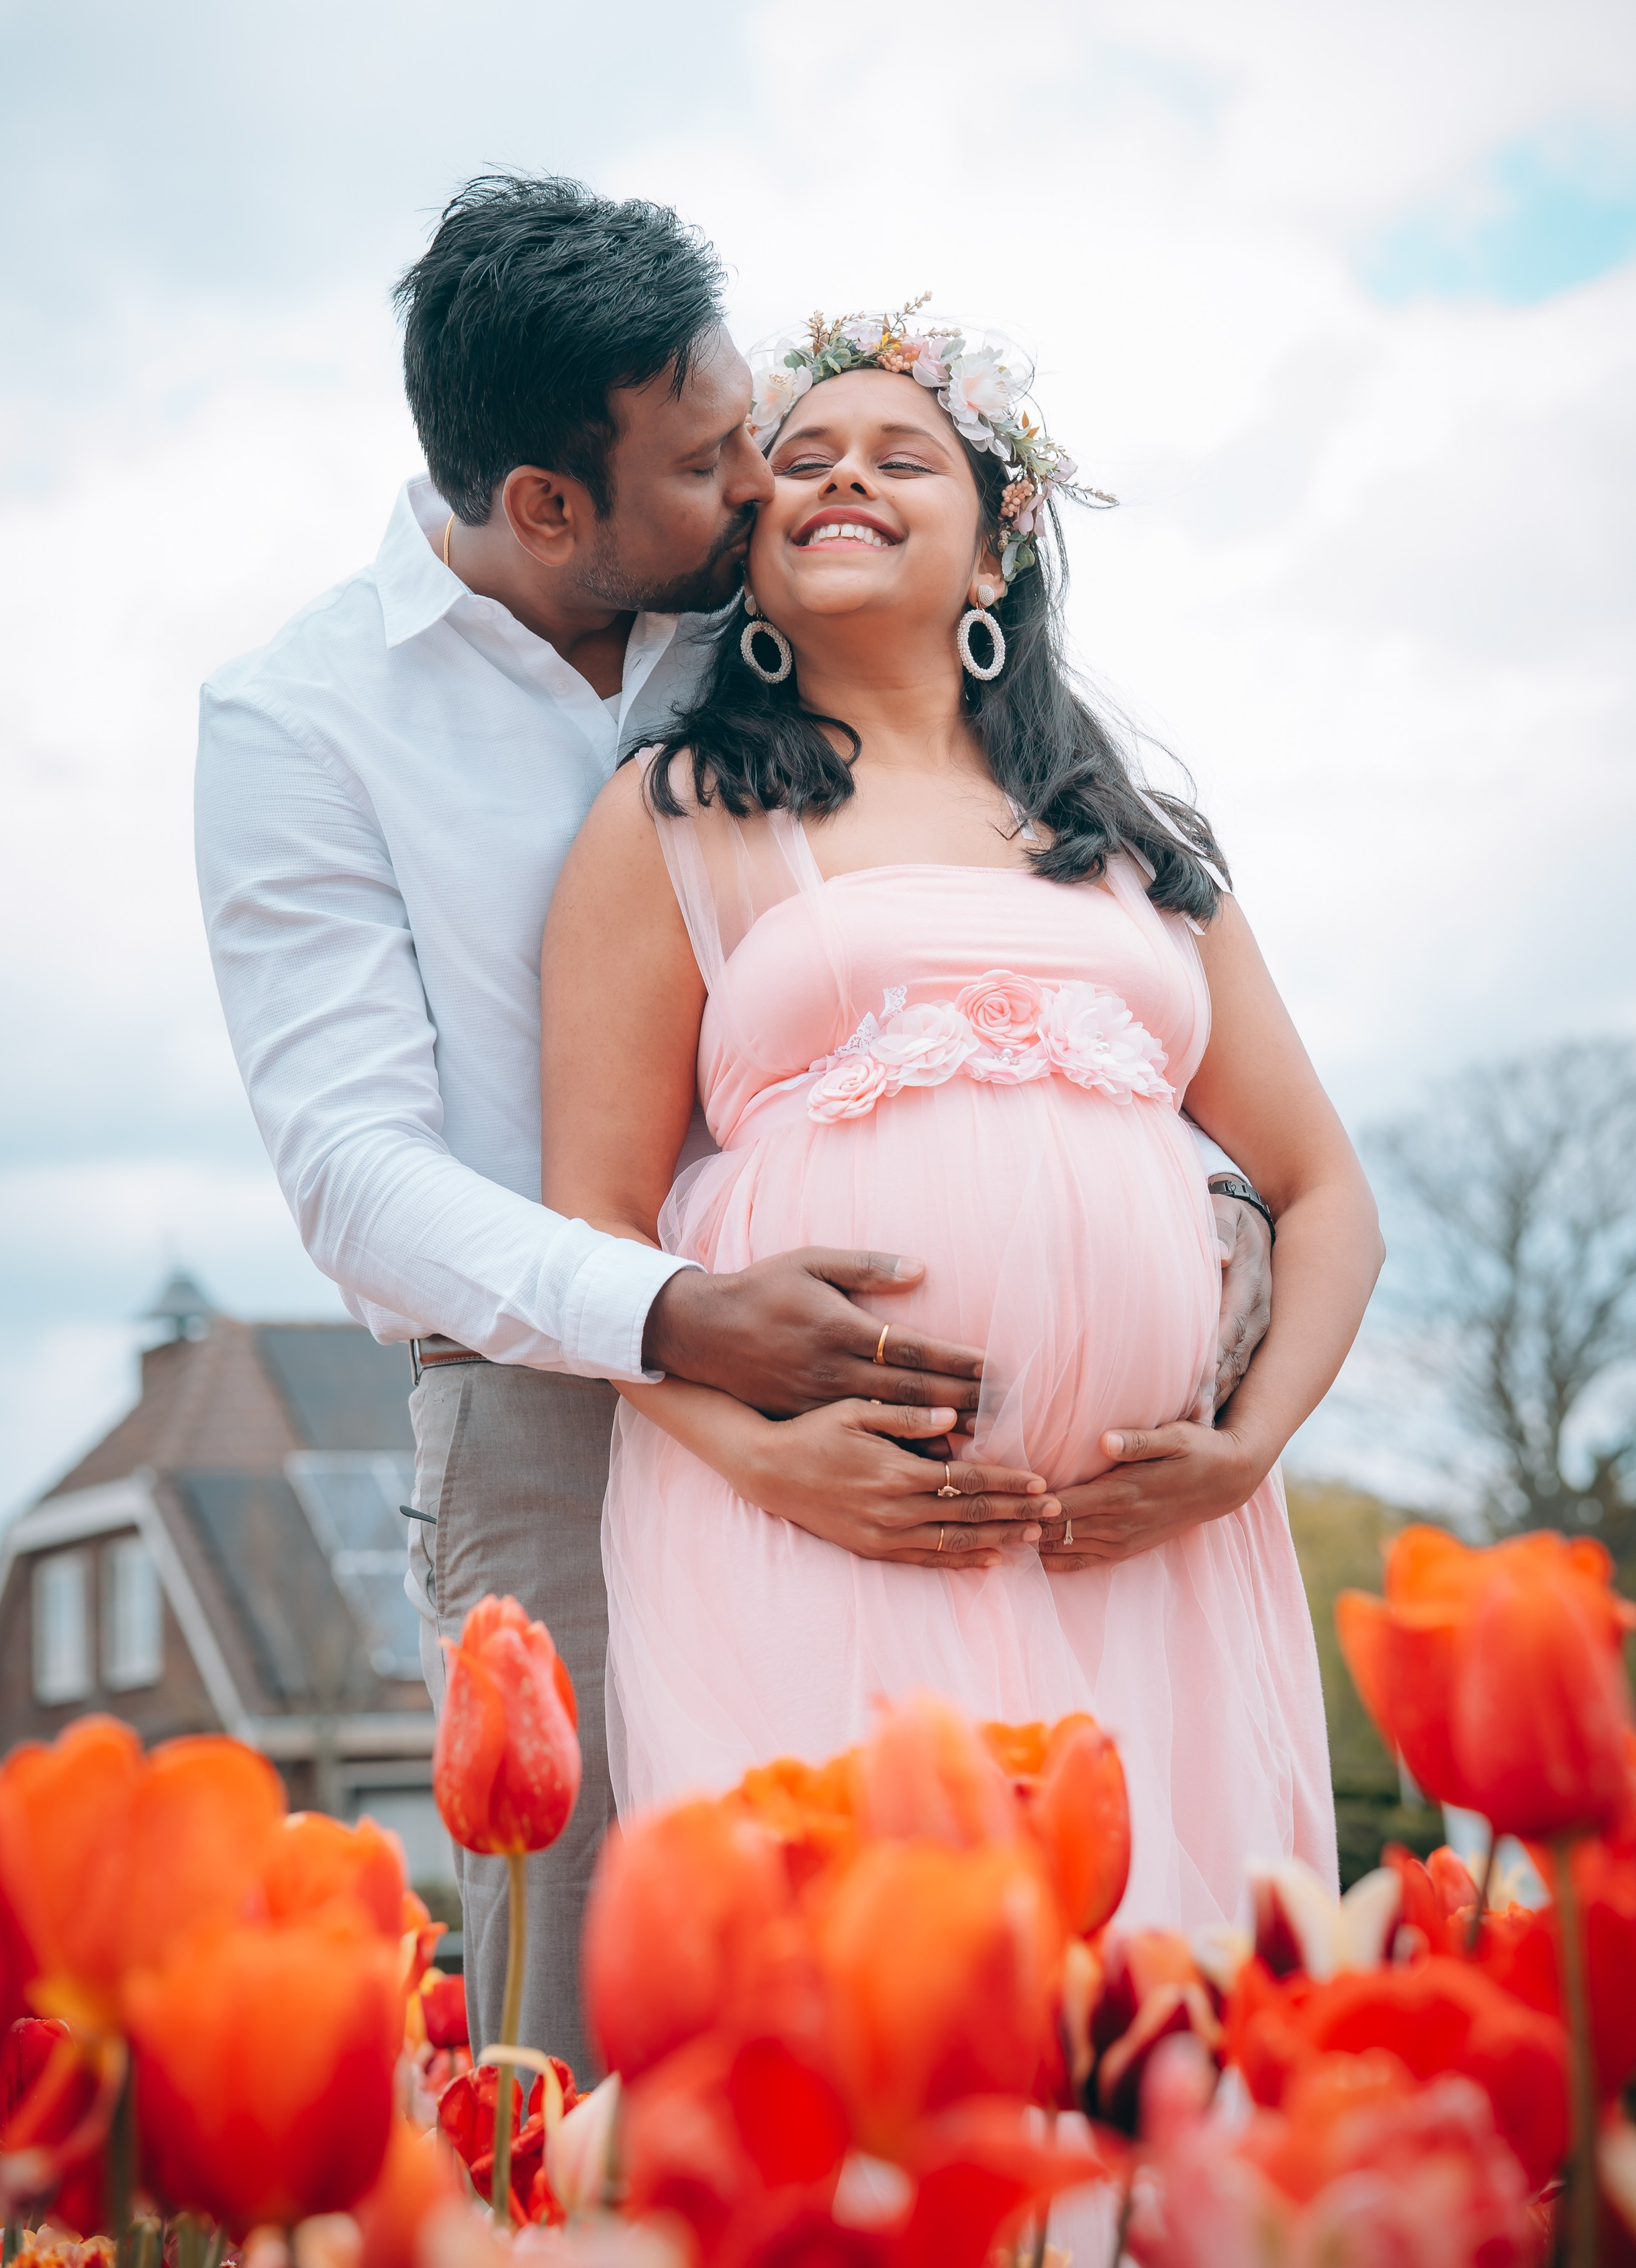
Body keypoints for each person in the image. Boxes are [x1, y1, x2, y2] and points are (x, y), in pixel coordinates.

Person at [194, 180, 1273, 2068]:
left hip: (970, 1443)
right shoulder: (303, 723)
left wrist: (1174, 1191)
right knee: (610, 1993)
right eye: (713, 462)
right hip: (551, 1390)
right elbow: (353, 1172)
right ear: (550, 510)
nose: (769, 488)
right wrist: (677, 1316)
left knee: (1022, 1978)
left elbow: (991, 904)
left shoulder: (755, 620)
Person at [542, 304, 1382, 1926]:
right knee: (865, 2024)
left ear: (996, 547)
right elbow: (589, 1225)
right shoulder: (673, 815)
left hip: (1148, 1561)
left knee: (1157, 2045)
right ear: (755, 546)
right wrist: (770, 1466)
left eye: (897, 453)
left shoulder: (1125, 844)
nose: (838, 476)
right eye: (797, 459)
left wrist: (1239, 1455)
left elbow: (1323, 1189)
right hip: (818, 1542)